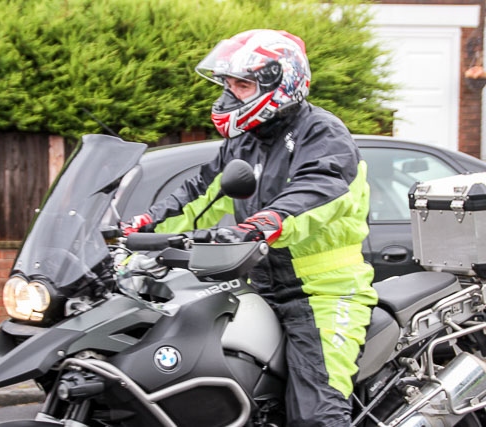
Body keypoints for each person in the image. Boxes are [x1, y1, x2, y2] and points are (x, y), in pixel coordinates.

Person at [122, 29, 378, 426]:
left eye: (243, 85)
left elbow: (321, 188)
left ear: (284, 81)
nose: (230, 95)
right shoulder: (244, 141)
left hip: (324, 292)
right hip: (258, 286)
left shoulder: (323, 134)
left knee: (316, 415)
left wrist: (263, 223)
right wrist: (140, 225)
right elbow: (201, 191)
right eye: (229, 85)